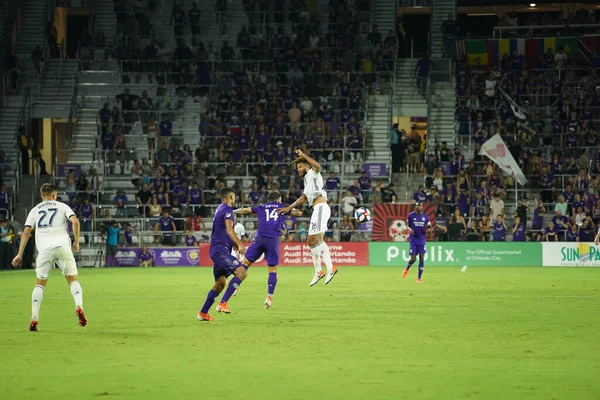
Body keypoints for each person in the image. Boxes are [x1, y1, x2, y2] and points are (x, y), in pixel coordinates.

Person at [11, 184, 87, 331]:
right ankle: (78, 306)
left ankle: (34, 317)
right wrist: (76, 242)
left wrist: (19, 254)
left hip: (44, 250)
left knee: (40, 284)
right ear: (54, 195)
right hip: (62, 247)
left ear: (42, 196)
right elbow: (75, 221)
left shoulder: (35, 210)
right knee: (72, 280)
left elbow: (26, 231)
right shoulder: (62, 206)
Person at [217, 192, 302, 311]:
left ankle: (223, 302)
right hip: (272, 240)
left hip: (259, 240)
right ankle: (269, 297)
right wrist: (290, 211)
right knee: (272, 270)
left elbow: (245, 210)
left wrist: (233, 211)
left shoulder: (261, 207)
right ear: (279, 199)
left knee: (243, 267)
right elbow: (298, 213)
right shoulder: (282, 207)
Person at [277, 150, 338, 286]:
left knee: (316, 240)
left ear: (306, 166)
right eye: (297, 168)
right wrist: (289, 207)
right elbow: (304, 197)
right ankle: (319, 272)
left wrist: (303, 155)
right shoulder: (307, 179)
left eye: (300, 167)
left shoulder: (313, 173)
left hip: (321, 207)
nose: (298, 170)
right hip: (316, 209)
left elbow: (318, 166)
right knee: (311, 241)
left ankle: (330, 268)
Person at [197, 188, 247, 322]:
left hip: (217, 250)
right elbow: (229, 229)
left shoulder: (220, 208)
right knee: (242, 272)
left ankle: (203, 313)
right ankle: (223, 303)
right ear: (230, 197)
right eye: (234, 197)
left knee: (219, 284)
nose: (234, 199)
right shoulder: (227, 209)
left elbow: (224, 231)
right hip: (220, 250)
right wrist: (240, 243)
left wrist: (234, 244)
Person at [402, 202, 431, 283]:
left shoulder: (425, 217)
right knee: (413, 258)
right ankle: (407, 269)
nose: (418, 207)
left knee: (422, 257)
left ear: (422, 207)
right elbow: (407, 225)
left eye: (420, 205)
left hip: (421, 239)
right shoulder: (411, 215)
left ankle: (419, 278)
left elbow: (429, 225)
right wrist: (409, 229)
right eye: (417, 205)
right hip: (413, 239)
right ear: (415, 207)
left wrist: (430, 229)